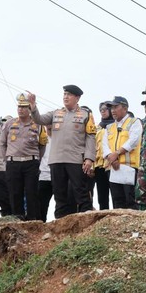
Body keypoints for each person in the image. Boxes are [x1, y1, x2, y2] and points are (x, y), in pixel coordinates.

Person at [27, 85, 97, 219]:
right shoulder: (55, 113)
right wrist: (33, 106)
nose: (66, 97)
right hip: (56, 160)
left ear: (77, 98)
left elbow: (91, 136)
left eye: (69, 95)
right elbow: (38, 120)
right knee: (59, 193)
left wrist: (89, 158)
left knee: (80, 191)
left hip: (75, 159)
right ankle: (61, 221)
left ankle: (86, 219)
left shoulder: (86, 115)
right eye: (64, 94)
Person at [1, 93, 48, 220]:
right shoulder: (9, 124)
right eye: (19, 107)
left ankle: (33, 220)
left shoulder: (38, 125)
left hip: (30, 162)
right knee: (15, 193)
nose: (21, 109)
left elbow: (42, 145)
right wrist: (7, 159)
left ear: (30, 108)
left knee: (31, 192)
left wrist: (36, 159)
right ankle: (18, 219)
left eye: (24, 107)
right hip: (13, 162)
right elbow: (2, 144)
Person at [102, 96, 142, 209]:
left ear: (125, 108)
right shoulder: (109, 127)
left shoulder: (134, 122)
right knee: (117, 200)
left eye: (116, 107)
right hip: (113, 167)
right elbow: (104, 145)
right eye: (111, 108)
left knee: (131, 200)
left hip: (129, 167)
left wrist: (117, 153)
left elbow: (133, 141)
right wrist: (111, 157)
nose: (113, 110)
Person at [93, 102, 114, 210]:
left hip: (112, 164)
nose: (103, 111)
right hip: (99, 165)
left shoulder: (115, 126)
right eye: (100, 109)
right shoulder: (98, 128)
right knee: (102, 195)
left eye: (105, 109)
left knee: (116, 193)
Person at [38, 125, 53, 222]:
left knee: (63, 204)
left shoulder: (61, 138)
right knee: (41, 207)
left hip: (59, 176)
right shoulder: (41, 138)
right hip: (43, 176)